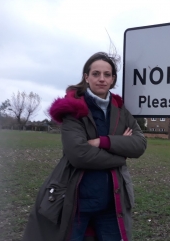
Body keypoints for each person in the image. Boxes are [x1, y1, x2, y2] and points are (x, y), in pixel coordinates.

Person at [23, 52, 147, 241]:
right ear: (86, 77)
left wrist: (102, 142)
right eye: (96, 74)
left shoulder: (121, 110)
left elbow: (139, 144)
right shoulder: (73, 109)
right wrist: (120, 155)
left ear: (113, 79)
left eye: (107, 75)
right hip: (75, 202)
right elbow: (78, 154)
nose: (101, 79)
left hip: (112, 203)